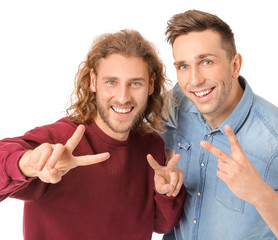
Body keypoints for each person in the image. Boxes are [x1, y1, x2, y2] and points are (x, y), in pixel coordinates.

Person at [161, 10, 278, 240]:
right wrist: (165, 158)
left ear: (235, 65)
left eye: (206, 62)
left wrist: (259, 194)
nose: (194, 80)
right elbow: (148, 122)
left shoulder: (277, 142)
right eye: (183, 66)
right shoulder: (181, 99)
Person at [0, 29, 186, 240]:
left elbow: (159, 225)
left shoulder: (152, 146)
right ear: (92, 81)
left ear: (151, 85)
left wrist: (166, 194)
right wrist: (26, 164)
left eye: (135, 83)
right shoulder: (60, 141)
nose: (123, 97)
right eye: (111, 82)